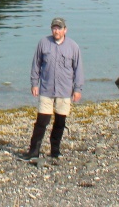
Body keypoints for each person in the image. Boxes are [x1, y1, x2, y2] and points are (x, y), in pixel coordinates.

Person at [19, 17, 84, 163]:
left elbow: (78, 69)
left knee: (60, 122)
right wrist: (34, 83)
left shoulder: (73, 47)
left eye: (59, 28)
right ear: (51, 30)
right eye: (54, 28)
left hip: (65, 91)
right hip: (46, 89)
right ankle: (33, 151)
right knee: (42, 121)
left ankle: (55, 151)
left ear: (65, 30)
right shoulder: (43, 43)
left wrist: (77, 89)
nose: (56, 31)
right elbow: (36, 64)